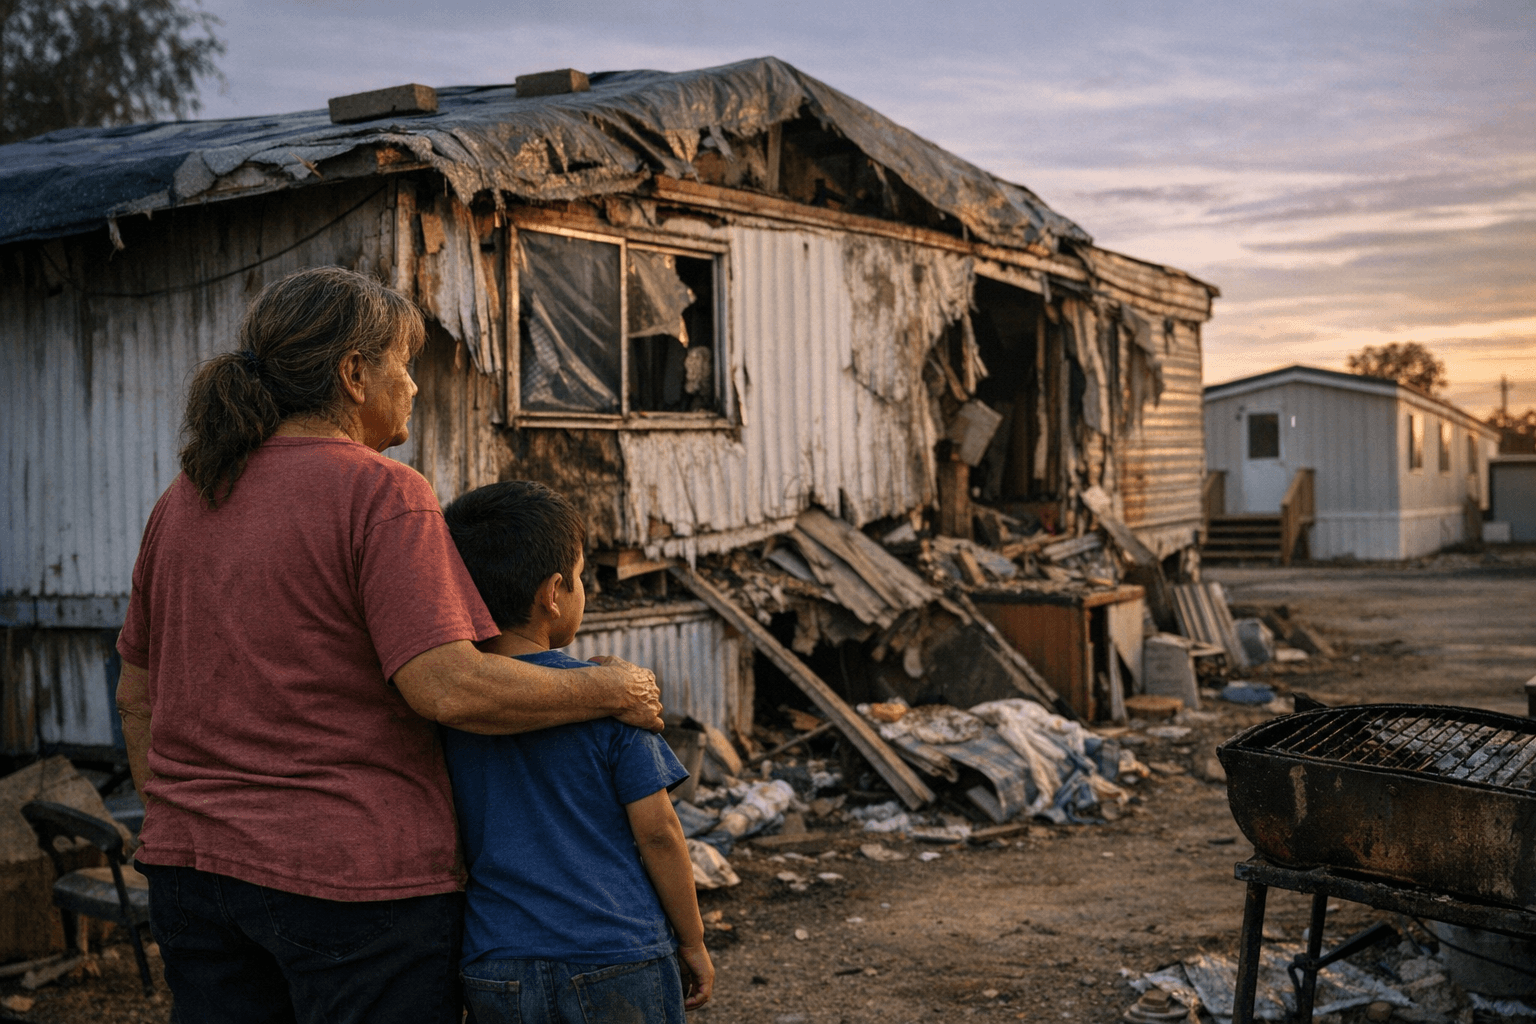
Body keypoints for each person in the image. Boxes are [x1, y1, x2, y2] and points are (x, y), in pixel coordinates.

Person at [114, 267, 663, 1024]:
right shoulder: (382, 491)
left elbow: (135, 696)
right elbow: (447, 688)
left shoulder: (183, 498)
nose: (414, 385)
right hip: (353, 889)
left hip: (193, 874)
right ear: (353, 373)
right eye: (406, 363)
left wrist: (184, 816)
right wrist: (612, 688)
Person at [440, 480, 715, 1023]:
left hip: (498, 961)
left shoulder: (451, 707)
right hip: (616, 950)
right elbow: (659, 832)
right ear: (554, 591)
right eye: (583, 576)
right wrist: (693, 940)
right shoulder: (613, 699)